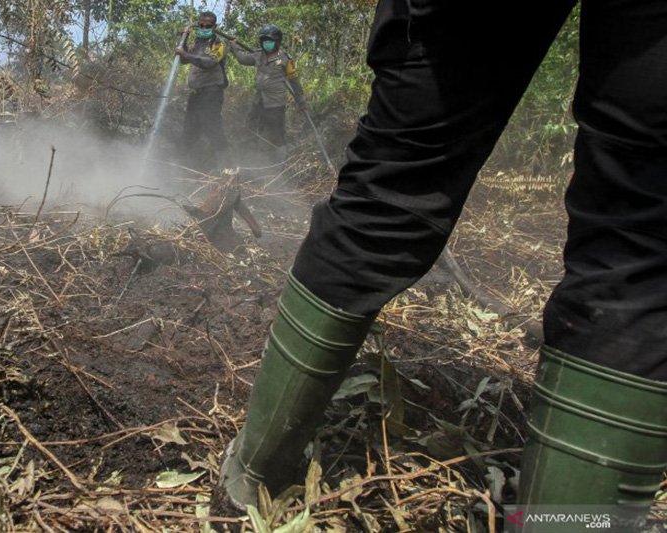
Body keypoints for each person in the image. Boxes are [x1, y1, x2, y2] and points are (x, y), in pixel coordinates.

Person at [219, 0, 667, 526]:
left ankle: (252, 476)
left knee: (393, 182)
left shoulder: (286, 60)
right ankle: (569, 520)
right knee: (644, 228)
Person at [229, 25, 307, 166]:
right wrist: (234, 48)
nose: (267, 43)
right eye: (264, 40)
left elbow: (294, 81)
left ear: (277, 41)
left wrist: (301, 100)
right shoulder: (258, 54)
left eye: (270, 40)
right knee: (252, 126)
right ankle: (251, 157)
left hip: (275, 103)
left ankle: (281, 163)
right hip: (259, 101)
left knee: (276, 133)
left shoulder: (286, 59)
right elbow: (243, 59)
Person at [175, 12, 229, 171]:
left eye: (208, 26)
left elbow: (210, 62)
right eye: (202, 25)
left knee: (213, 126)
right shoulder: (198, 43)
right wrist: (183, 42)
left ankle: (224, 165)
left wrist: (186, 54)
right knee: (190, 128)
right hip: (196, 93)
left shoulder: (219, 44)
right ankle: (184, 164)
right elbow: (184, 59)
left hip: (212, 92)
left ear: (215, 27)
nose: (204, 28)